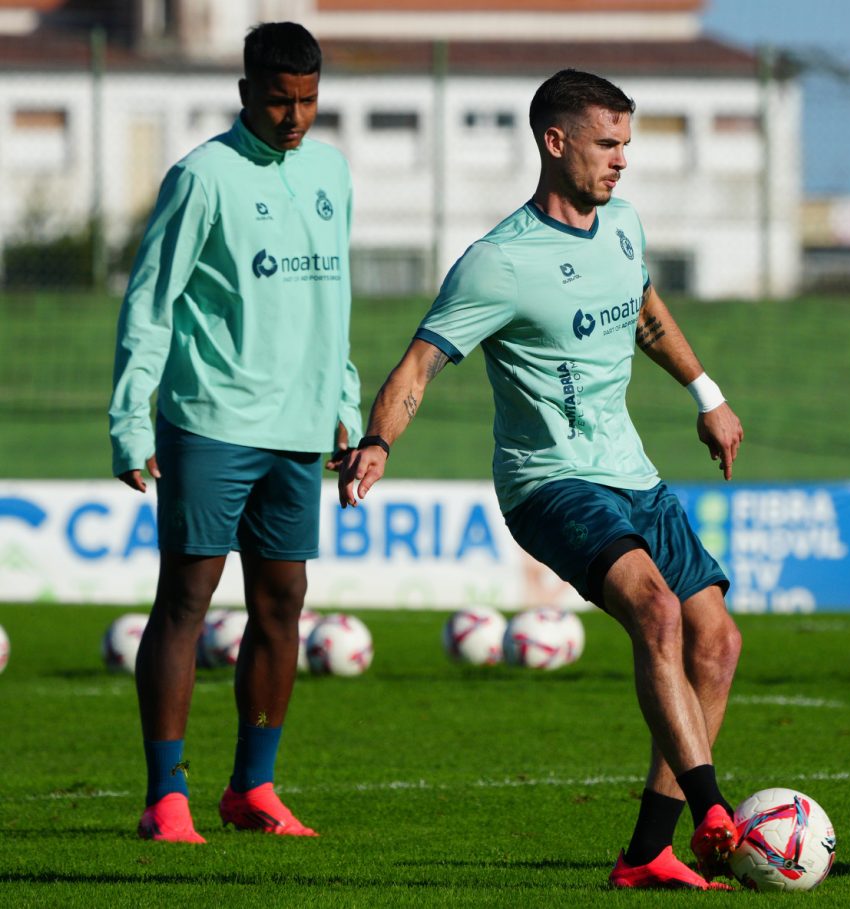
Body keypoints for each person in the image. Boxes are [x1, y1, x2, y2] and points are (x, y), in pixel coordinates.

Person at [336, 69, 745, 891]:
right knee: (657, 611)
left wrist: (707, 394)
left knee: (718, 640)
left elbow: (646, 313)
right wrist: (378, 439)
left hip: (632, 472)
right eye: (607, 144)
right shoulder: (499, 262)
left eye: (627, 144)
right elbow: (420, 363)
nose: (622, 160)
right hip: (549, 482)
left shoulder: (623, 224)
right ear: (555, 142)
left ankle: (647, 852)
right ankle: (714, 812)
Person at [109, 22, 360, 843]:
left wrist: (344, 400)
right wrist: (130, 417)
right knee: (186, 599)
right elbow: (151, 302)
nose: (295, 117)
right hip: (211, 418)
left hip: (299, 428)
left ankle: (252, 786)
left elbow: (334, 301)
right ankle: (165, 795)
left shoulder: (330, 172)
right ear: (247, 92)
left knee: (283, 603)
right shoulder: (202, 177)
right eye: (280, 100)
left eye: (308, 100)